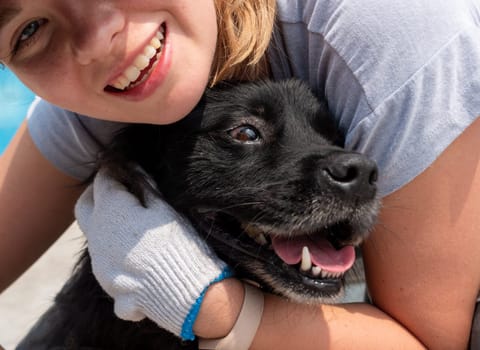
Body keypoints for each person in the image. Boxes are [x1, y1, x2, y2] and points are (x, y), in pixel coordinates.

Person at [1, 0, 479, 348]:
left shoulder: (391, 28)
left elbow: (432, 343)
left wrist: (211, 307)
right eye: (28, 31)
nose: (98, 38)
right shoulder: (112, 82)